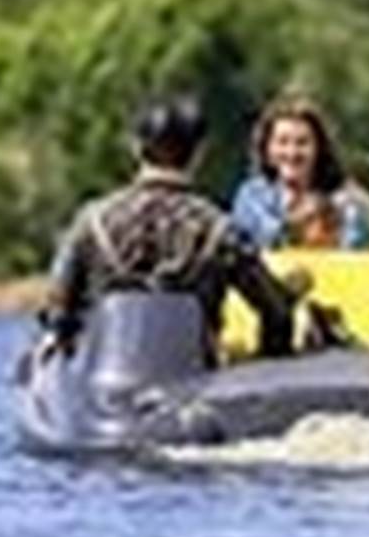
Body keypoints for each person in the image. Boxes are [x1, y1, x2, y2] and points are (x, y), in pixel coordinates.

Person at [40, 94, 296, 360]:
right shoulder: (221, 230)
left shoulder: (91, 221)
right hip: (194, 383)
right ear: (199, 154)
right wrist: (267, 361)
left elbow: (56, 306)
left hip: (104, 377)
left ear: (136, 148)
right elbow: (277, 309)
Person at [230, 96, 369, 251]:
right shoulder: (253, 196)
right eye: (282, 142)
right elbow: (258, 241)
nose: (292, 152)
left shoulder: (348, 201)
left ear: (319, 149)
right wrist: (298, 222)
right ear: (267, 150)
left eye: (302, 143)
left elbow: (354, 248)